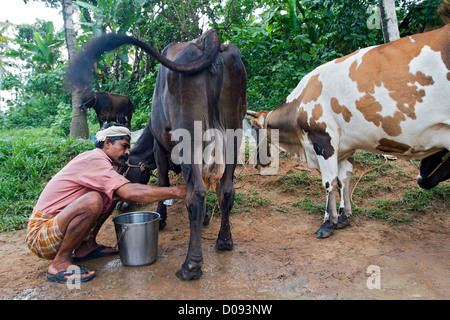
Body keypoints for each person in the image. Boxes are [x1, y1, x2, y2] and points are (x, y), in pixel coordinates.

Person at [26, 124, 187, 284]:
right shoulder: (94, 159)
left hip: (56, 227)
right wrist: (178, 191)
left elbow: (121, 194)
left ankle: (86, 247)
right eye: (124, 146)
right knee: (93, 201)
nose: (128, 152)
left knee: (112, 195)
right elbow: (129, 192)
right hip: (40, 235)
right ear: (107, 142)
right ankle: (59, 264)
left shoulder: (105, 164)